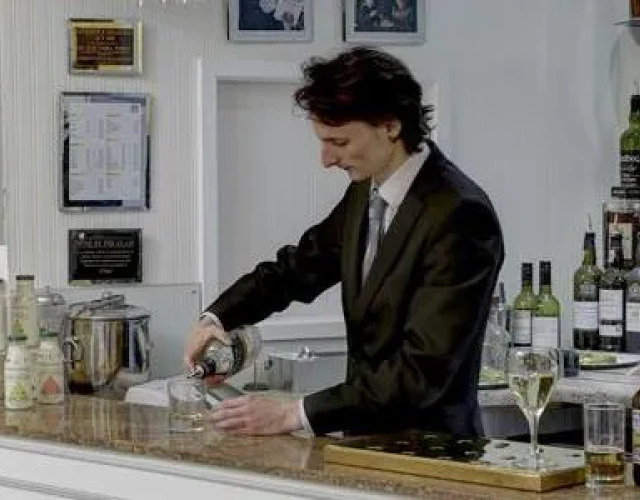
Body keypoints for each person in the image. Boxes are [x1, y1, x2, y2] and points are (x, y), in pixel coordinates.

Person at [183, 46, 505, 438]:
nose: (326, 159)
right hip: (362, 444)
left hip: (432, 453)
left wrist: (293, 414)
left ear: (390, 127)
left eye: (339, 142)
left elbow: (420, 374)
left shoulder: (460, 215)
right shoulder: (366, 190)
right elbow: (297, 268)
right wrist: (216, 318)